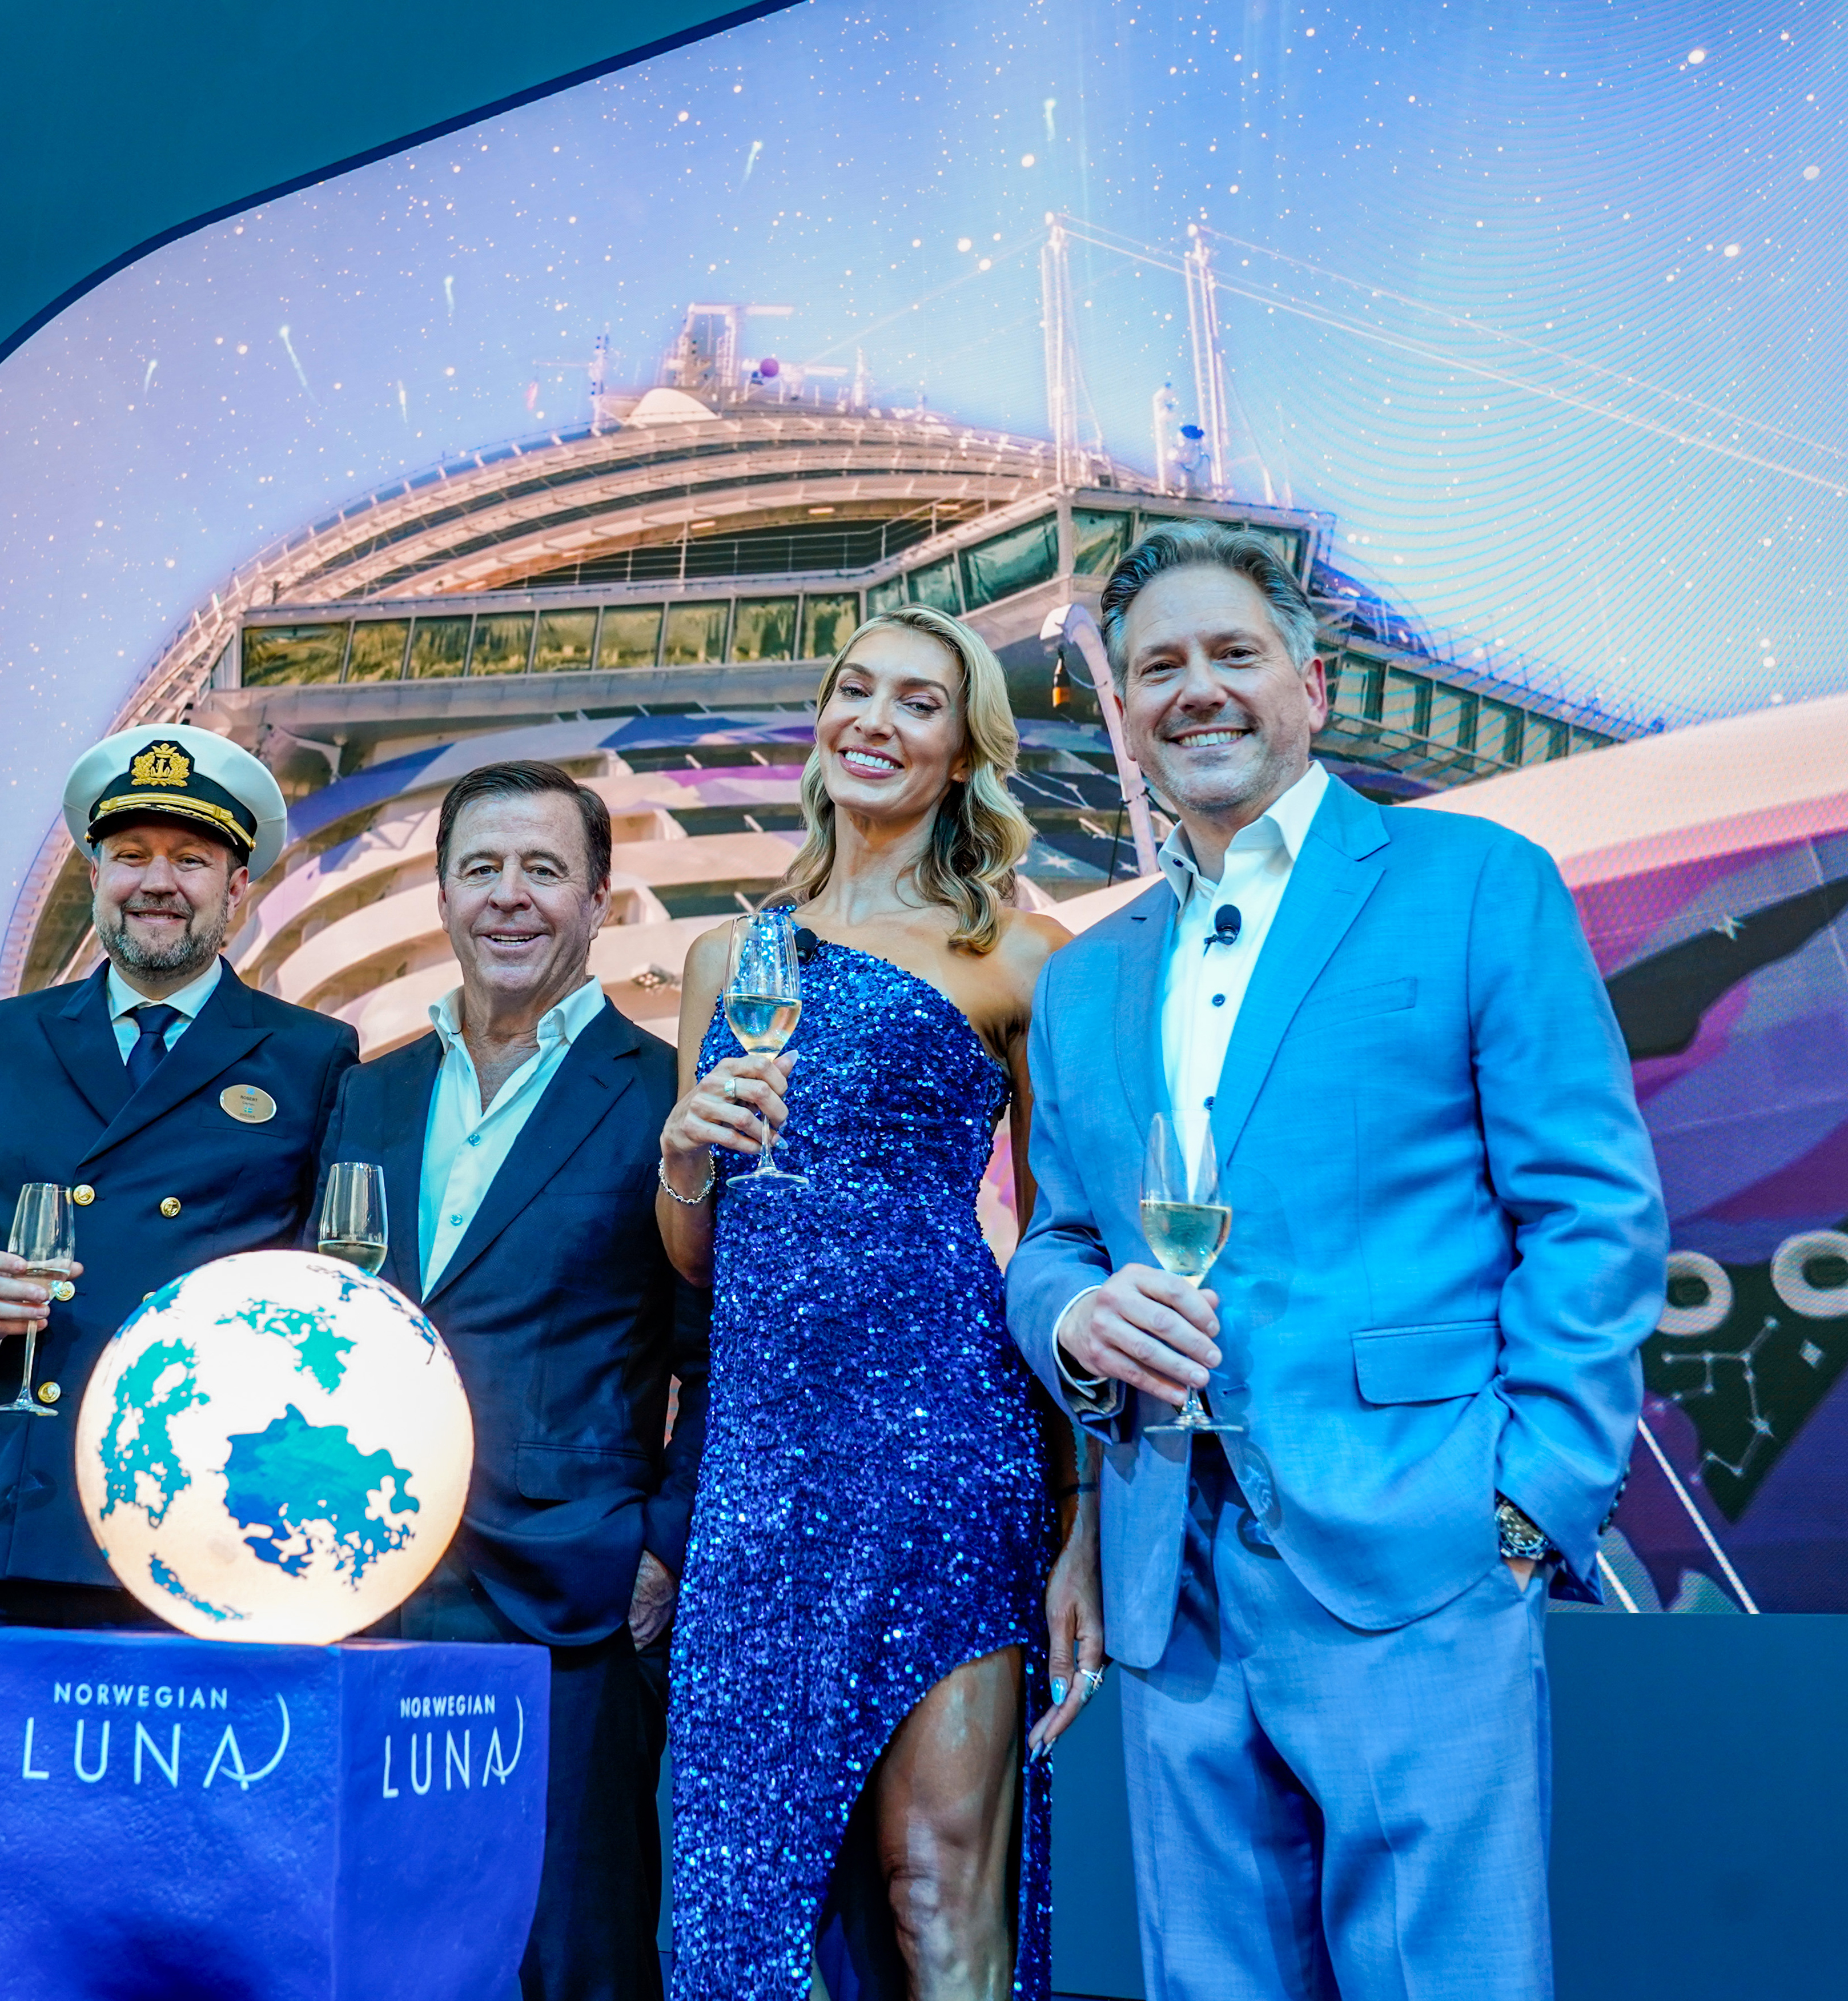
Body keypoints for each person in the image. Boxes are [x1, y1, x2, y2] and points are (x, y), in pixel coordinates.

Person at [1005, 524, 1665, 2001]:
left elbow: (1593, 1210)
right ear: (1121, 712)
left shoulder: (1478, 882)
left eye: (1231, 654)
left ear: (1310, 681)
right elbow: (1054, 1236)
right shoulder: (1088, 973)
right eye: (1156, 668)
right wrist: (1074, 1316)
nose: (1197, 691)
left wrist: (1528, 1498)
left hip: (1420, 1547)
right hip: (1169, 1576)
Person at [0, 724, 359, 2001]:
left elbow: (329, 1293)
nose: (157, 879)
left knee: (160, 1868)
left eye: (190, 858)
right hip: (2, 1523)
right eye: (130, 852)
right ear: (95, 874)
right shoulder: (11, 1035)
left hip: (193, 1533)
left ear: (237, 888)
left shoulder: (311, 1059)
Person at [656, 605, 1103, 2001]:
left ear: (966, 750)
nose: (876, 721)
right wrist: (682, 1156)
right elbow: (700, 1261)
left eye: (919, 703)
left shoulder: (1022, 957)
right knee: (733, 1886)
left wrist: (1080, 1519)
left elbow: (1064, 1242)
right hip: (765, 1463)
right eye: (857, 691)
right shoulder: (733, 962)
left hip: (949, 1449)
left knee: (935, 1880)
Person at [315, 760, 708, 2001]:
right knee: (381, 1935)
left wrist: (660, 1552)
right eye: (481, 868)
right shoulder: (363, 1094)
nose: (510, 897)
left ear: (599, 902)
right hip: (371, 1582)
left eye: (545, 869)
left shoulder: (666, 1097)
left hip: (569, 1596)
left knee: (567, 1954)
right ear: (440, 892)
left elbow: (724, 1360)